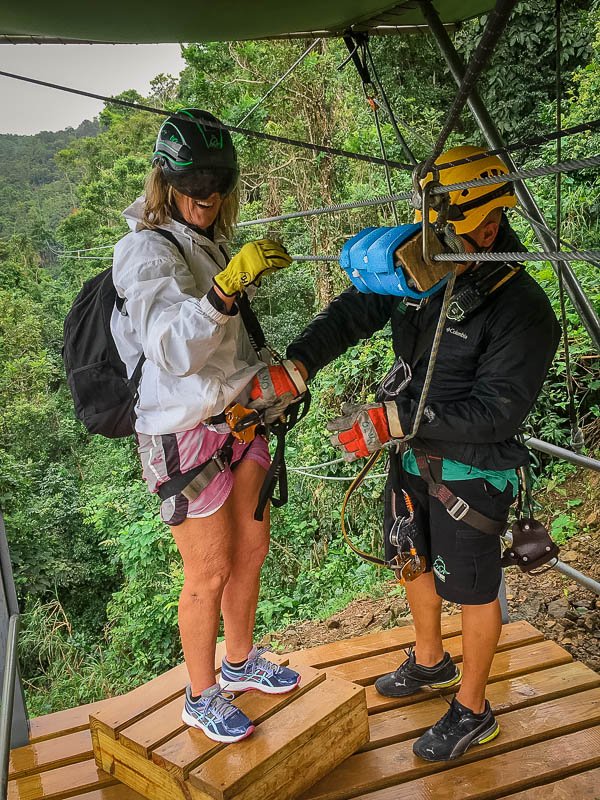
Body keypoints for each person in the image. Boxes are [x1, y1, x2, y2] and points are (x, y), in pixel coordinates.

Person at [256, 146, 561, 761]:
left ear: (492, 223)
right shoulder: (421, 270)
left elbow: (499, 411)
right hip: (410, 449)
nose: (451, 241)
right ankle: (431, 661)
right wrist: (299, 362)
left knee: (474, 590)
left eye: (467, 230)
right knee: (410, 556)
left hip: (472, 471)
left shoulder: (521, 308)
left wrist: (394, 418)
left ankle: (474, 708)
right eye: (442, 228)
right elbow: (355, 309)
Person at [110, 108, 305, 744]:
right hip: (184, 433)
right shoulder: (144, 250)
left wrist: (266, 383)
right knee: (210, 570)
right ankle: (200, 695)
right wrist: (224, 289)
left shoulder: (209, 238)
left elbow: (225, 350)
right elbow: (171, 348)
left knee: (250, 551)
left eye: (217, 185)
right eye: (193, 187)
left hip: (238, 417)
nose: (206, 197)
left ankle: (240, 663)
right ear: (166, 182)